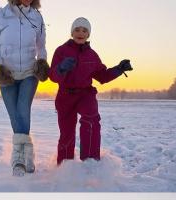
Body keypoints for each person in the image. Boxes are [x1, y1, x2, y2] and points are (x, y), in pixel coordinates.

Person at [48, 17, 133, 165]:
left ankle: (90, 161)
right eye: (77, 29)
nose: (80, 33)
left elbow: (102, 76)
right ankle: (65, 166)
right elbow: (53, 76)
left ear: (88, 34)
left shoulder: (91, 55)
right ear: (71, 32)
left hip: (85, 94)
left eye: (84, 30)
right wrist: (61, 68)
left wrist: (119, 69)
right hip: (65, 96)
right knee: (66, 131)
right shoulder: (61, 51)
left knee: (92, 120)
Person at [0, 0, 50, 176]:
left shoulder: (36, 16)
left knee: (23, 109)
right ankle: (27, 156)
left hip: (29, 73)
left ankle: (18, 158)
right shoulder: (1, 15)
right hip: (7, 74)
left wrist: (42, 61)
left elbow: (41, 45)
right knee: (14, 114)